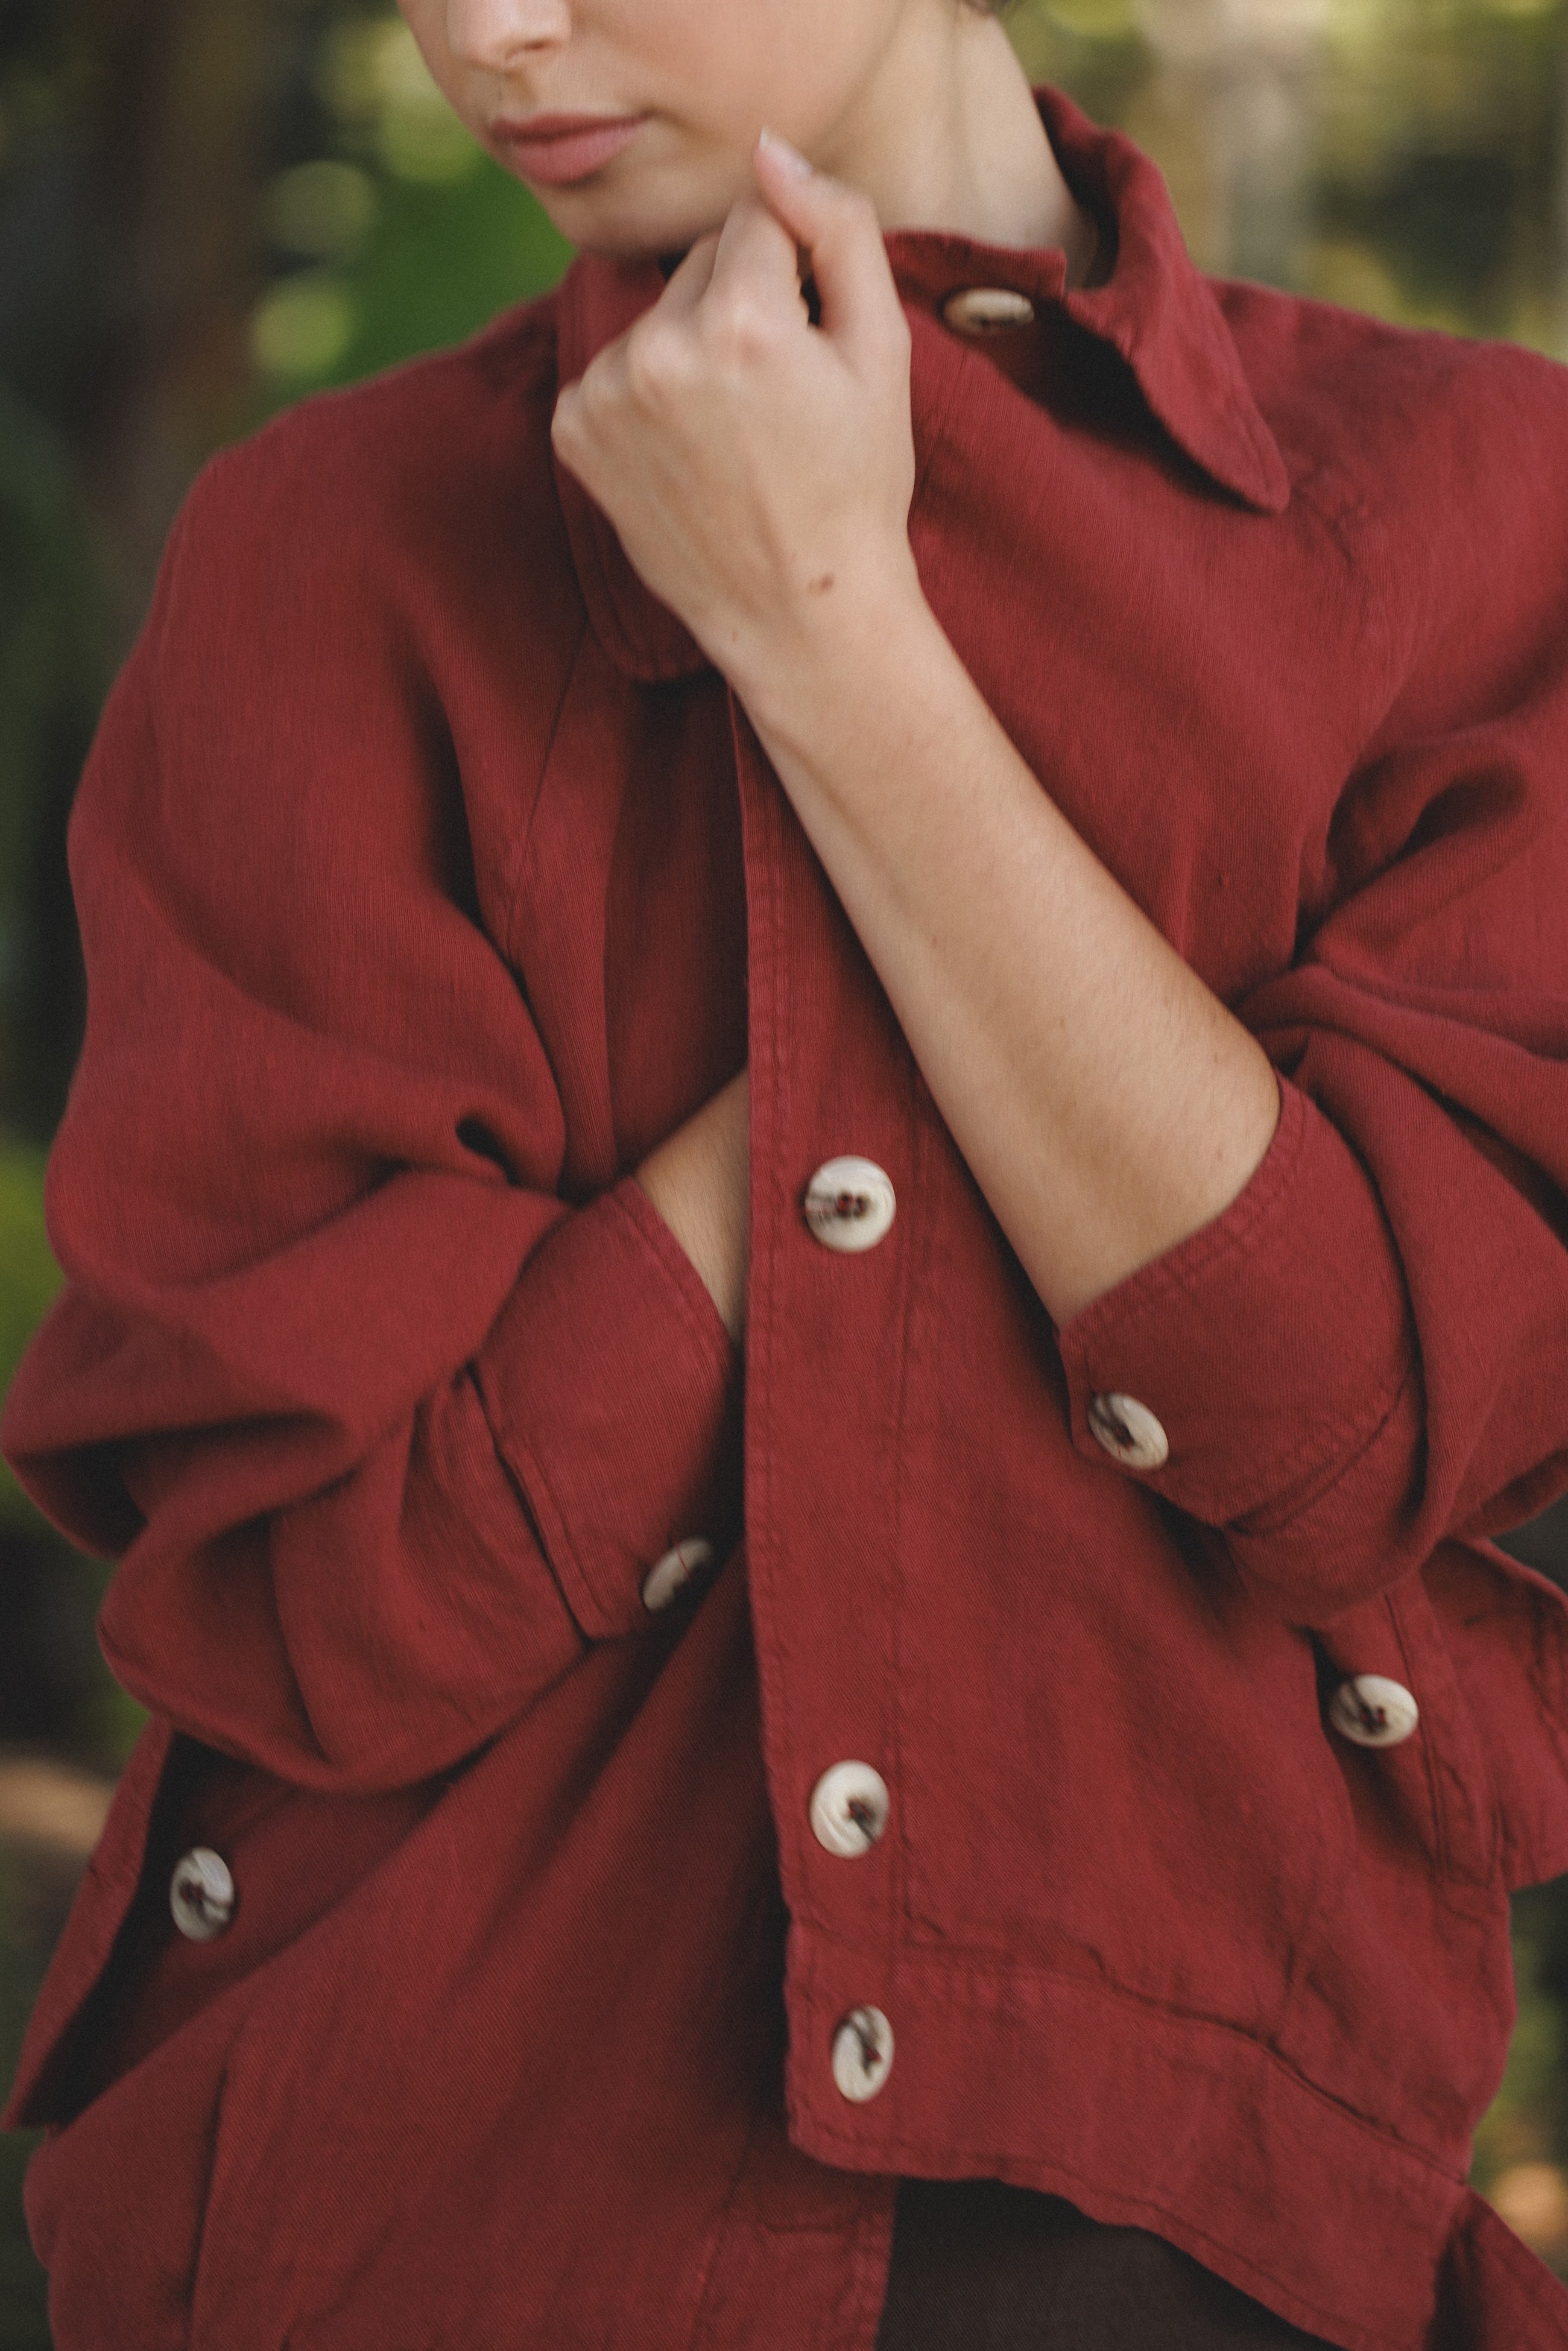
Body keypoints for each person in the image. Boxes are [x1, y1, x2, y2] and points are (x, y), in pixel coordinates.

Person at [5, 0, 1568, 2342]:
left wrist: (829, 648)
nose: (487, 32)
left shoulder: (1471, 509)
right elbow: (313, 1597)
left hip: (1176, 2252)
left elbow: (1343, 1419)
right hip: (421, 2215)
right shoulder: (326, 551)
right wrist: (994, 1058)